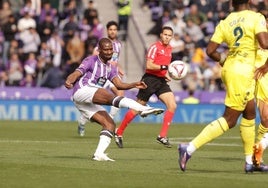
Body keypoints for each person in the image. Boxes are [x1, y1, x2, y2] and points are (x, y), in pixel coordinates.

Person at [178, 0, 268, 173]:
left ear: (232, 3)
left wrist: (224, 60)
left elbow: (210, 50)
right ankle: (188, 148)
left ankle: (251, 161)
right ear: (249, 1)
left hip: (231, 68)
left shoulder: (225, 22)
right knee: (230, 119)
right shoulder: (256, 17)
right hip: (243, 72)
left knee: (249, 114)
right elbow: (264, 44)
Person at [65, 38, 164, 161]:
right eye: (106, 49)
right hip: (82, 91)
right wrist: (69, 80)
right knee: (106, 94)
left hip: (84, 102)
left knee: (110, 124)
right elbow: (76, 73)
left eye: (111, 49)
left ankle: (99, 154)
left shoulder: (111, 68)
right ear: (99, 50)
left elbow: (119, 85)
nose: (109, 52)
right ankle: (141, 109)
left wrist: (134, 84)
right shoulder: (90, 60)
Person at [115, 26, 177, 148]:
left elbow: (162, 67)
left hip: (161, 81)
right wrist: (164, 68)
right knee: (137, 108)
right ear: (161, 35)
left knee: (172, 105)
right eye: (165, 34)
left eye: (169, 35)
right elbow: (149, 65)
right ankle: (119, 132)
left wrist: (165, 75)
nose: (167, 37)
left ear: (171, 37)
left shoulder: (170, 49)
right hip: (149, 80)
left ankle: (162, 136)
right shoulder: (155, 47)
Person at [77, 20, 124, 137]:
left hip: (111, 74)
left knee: (120, 94)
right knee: (93, 101)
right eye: (110, 29)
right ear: (107, 31)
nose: (112, 32)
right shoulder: (102, 44)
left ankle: (109, 120)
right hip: (100, 75)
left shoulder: (118, 45)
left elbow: (115, 61)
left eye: (114, 30)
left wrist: (119, 68)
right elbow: (94, 58)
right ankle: (82, 121)